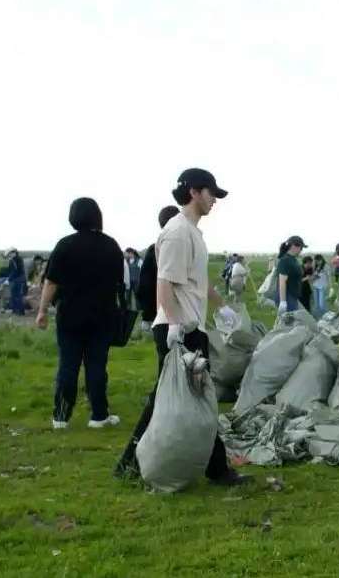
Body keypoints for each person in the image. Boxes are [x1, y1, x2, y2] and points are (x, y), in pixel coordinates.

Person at [116, 167, 247, 486]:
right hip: (179, 329)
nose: (215, 199)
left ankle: (132, 464)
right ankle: (214, 469)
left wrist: (222, 308)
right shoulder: (176, 232)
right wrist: (174, 326)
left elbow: (197, 282)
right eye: (211, 193)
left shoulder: (193, 233)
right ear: (194, 192)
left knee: (187, 395)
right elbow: (164, 284)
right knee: (188, 396)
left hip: (191, 326)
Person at [35, 198, 125, 429]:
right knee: (96, 367)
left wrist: (42, 311)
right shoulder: (111, 245)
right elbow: (119, 283)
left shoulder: (65, 245)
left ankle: (61, 417)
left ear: (73, 217)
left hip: (70, 316)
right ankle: (99, 416)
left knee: (68, 366)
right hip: (103, 315)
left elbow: (51, 282)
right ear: (97, 216)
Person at [135, 206, 181, 326]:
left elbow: (144, 286)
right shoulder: (159, 249)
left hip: (165, 312)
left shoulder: (155, 248)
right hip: (167, 312)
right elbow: (147, 285)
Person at [276, 237, 307, 315]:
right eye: (301, 247)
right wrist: (283, 302)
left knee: (293, 323)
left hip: (293, 297)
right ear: (293, 246)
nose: (301, 250)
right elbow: (282, 281)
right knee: (290, 325)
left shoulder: (293, 259)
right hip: (287, 298)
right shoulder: (285, 260)